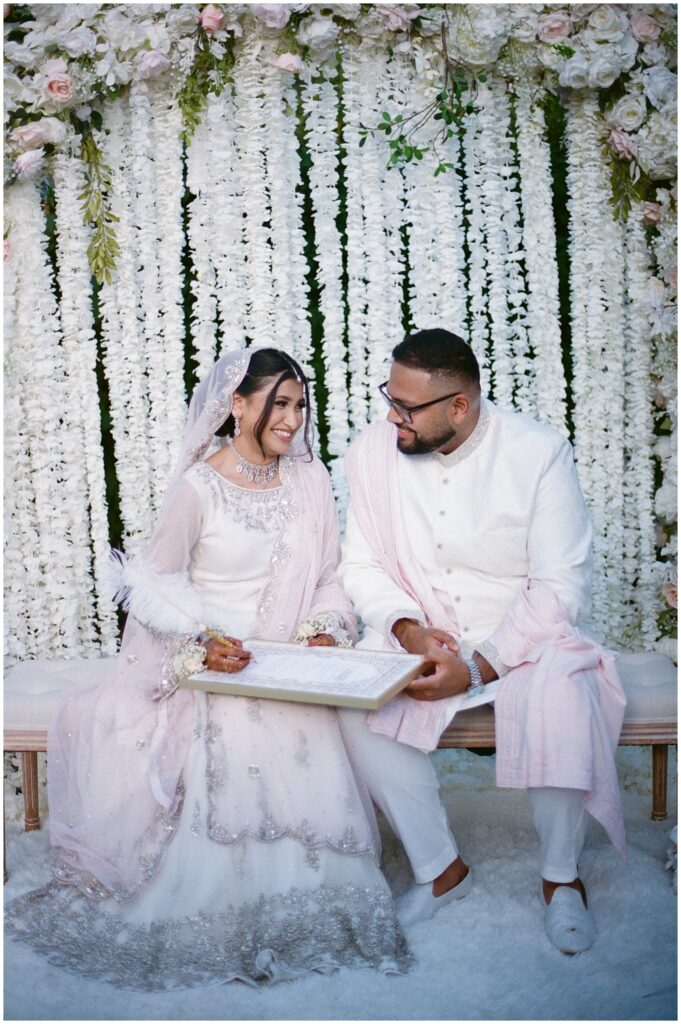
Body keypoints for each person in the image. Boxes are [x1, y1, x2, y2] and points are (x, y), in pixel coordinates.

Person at [6, 347, 409, 989]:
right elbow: (152, 591)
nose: (292, 420)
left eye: (300, 406)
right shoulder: (199, 487)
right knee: (243, 739)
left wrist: (324, 630)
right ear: (237, 405)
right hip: (218, 670)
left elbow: (331, 578)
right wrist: (202, 643)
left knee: (302, 727)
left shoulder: (309, 480)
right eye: (279, 404)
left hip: (291, 668)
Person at [338, 328, 626, 955]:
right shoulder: (373, 455)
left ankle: (561, 877)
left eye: (406, 407)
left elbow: (560, 585)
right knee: (357, 699)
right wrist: (408, 630)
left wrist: (476, 668)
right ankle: (440, 869)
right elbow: (361, 564)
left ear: (460, 406)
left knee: (564, 690)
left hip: (520, 638)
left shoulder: (538, 453)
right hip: (423, 630)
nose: (391, 417)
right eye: (389, 397)